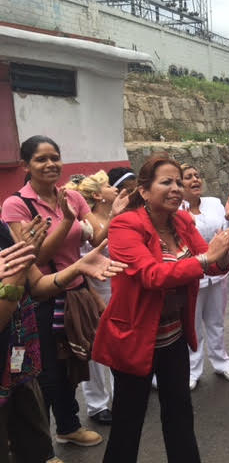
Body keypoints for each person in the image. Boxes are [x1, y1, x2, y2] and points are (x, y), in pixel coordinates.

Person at [92, 155, 229, 463]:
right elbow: (151, 275)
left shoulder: (183, 222)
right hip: (134, 339)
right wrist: (206, 258)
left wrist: (223, 255)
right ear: (144, 191)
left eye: (178, 182)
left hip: (173, 337)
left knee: (180, 415)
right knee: (128, 424)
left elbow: (211, 267)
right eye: (166, 182)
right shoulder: (124, 226)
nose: (176, 188)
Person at [2, 136, 127, 451]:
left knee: (72, 364)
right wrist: (67, 221)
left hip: (77, 290)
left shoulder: (70, 196)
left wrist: (111, 214)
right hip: (42, 297)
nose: (50, 165)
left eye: (54, 158)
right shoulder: (17, 204)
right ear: (25, 165)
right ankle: (39, 445)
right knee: (44, 371)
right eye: (41, 159)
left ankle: (69, 426)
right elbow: (34, 259)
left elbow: (95, 237)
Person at [65, 171, 120, 425]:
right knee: (96, 349)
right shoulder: (84, 225)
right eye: (109, 186)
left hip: (118, 289)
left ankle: (122, 392)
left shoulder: (114, 217)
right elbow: (82, 261)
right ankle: (98, 404)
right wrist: (92, 296)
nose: (115, 189)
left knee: (120, 344)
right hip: (95, 290)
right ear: (97, 195)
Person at [181, 164, 229, 388]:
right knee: (193, 325)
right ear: (179, 184)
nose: (195, 180)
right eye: (188, 177)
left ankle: (221, 362)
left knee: (216, 322)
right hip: (192, 274)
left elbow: (227, 231)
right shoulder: (176, 210)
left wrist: (228, 217)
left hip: (217, 274)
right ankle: (193, 370)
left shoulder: (214, 203)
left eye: (197, 175)